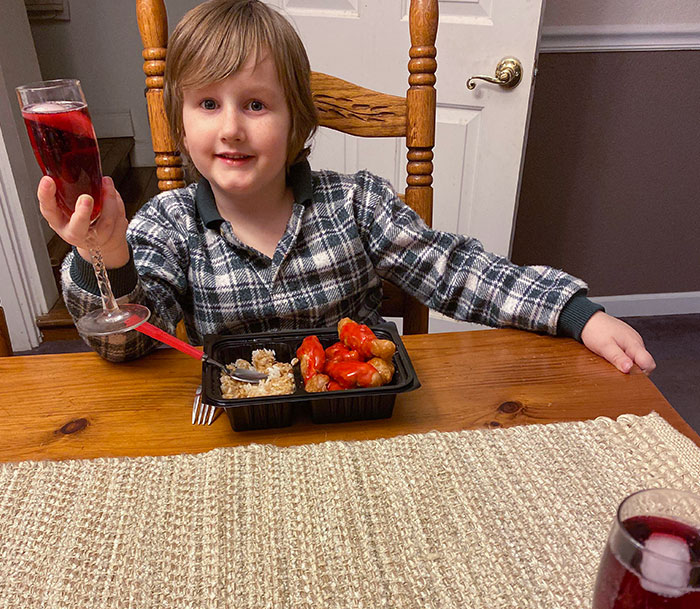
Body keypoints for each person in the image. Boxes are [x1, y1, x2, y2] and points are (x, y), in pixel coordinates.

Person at [38, 0, 655, 374]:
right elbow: (128, 348)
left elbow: (454, 272)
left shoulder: (355, 204)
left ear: (299, 122)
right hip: (236, 440)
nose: (230, 129)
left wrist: (573, 313)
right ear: (179, 120)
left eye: (256, 104)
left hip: (362, 422)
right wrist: (108, 255)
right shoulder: (168, 223)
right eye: (207, 104)